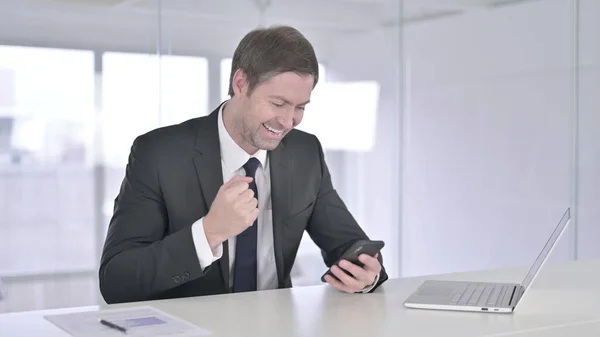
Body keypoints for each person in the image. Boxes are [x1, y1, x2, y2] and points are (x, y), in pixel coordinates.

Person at [99, 25, 388, 304]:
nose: (288, 122)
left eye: (300, 107)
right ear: (241, 84)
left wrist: (368, 274)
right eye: (278, 104)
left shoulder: (305, 152)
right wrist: (209, 231)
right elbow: (116, 281)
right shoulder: (159, 153)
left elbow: (350, 245)